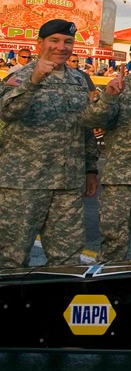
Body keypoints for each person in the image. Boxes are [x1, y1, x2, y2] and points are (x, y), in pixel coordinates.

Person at [0, 20, 99, 269]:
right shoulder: (18, 77)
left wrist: (90, 169)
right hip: (24, 185)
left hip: (67, 184)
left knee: (68, 261)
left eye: (67, 42)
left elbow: (84, 128)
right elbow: (9, 112)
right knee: (11, 258)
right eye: (54, 41)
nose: (61, 47)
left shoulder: (79, 80)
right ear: (40, 44)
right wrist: (33, 81)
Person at [80, 34, 131, 261]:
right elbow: (90, 120)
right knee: (114, 248)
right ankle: (105, 294)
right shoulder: (118, 88)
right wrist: (108, 98)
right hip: (121, 183)